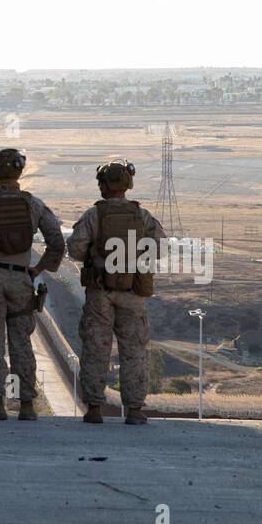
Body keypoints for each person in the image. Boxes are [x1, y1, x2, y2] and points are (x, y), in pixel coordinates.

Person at [0, 148, 65, 421]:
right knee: (21, 343)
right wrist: (38, 269)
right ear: (20, 170)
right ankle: (27, 405)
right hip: (21, 279)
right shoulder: (34, 205)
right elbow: (57, 242)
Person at [67, 159, 166, 425]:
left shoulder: (94, 215)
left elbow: (75, 249)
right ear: (126, 185)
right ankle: (134, 410)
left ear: (103, 185)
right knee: (133, 350)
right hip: (133, 291)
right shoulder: (141, 216)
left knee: (96, 348)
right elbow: (161, 247)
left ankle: (94, 409)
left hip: (100, 291)